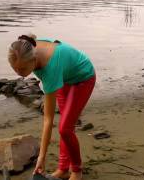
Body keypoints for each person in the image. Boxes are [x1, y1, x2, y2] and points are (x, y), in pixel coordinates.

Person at [8, 34, 96, 180]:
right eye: (15, 68)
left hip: (83, 77)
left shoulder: (50, 67)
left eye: (23, 69)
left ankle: (76, 171)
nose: (19, 74)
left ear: (34, 60)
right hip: (63, 77)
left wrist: (41, 157)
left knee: (65, 129)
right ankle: (63, 169)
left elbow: (48, 120)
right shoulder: (27, 48)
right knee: (66, 127)